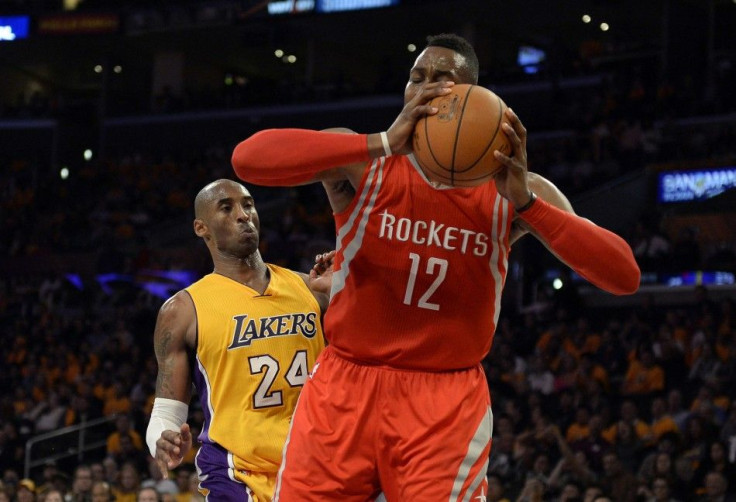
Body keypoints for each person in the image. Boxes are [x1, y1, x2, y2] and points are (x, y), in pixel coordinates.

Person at [231, 33, 640, 501]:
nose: (423, 87)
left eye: (441, 78)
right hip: (344, 383)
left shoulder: (517, 192)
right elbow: (247, 159)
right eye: (415, 77)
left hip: (443, 401)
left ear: (472, 97)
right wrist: (381, 142)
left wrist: (527, 202)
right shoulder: (364, 160)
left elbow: (623, 276)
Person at [145, 179, 331, 501]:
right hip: (235, 472)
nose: (243, 214)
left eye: (248, 204)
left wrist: (347, 285)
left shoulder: (312, 289)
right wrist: (163, 440)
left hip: (319, 461)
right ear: (201, 227)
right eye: (226, 208)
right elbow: (166, 412)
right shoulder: (182, 311)